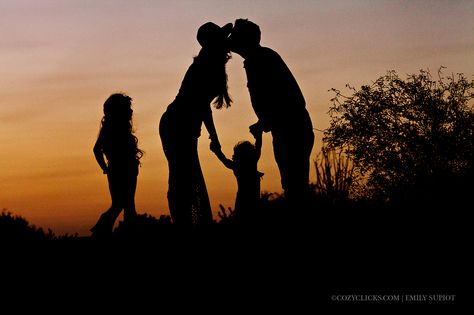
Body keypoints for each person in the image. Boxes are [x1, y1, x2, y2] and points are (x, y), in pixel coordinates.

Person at [228, 19, 314, 206]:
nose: (231, 39)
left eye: (234, 35)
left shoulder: (262, 59)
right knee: (293, 186)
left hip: (292, 129)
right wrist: (264, 122)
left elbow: (290, 99)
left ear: (244, 40)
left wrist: (265, 121)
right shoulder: (259, 59)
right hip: (288, 128)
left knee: (295, 188)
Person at [159, 22, 232, 226]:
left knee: (187, 177)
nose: (225, 42)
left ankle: (188, 221)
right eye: (220, 38)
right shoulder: (204, 67)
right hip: (177, 125)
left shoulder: (211, 65)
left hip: (183, 126)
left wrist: (212, 137)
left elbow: (202, 106)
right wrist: (214, 137)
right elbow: (201, 105)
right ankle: (186, 222)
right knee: (184, 178)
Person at [91, 93, 144, 237]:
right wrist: (105, 168)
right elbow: (96, 150)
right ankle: (102, 229)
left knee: (122, 204)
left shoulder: (112, 129)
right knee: (124, 205)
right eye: (128, 109)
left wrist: (106, 168)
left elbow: (97, 150)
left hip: (121, 169)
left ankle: (104, 230)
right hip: (122, 170)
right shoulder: (114, 130)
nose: (131, 111)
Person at [212, 129, 263, 224]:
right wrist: (259, 133)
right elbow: (258, 146)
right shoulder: (252, 162)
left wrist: (216, 151)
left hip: (243, 201)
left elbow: (224, 160)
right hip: (253, 202)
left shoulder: (238, 166)